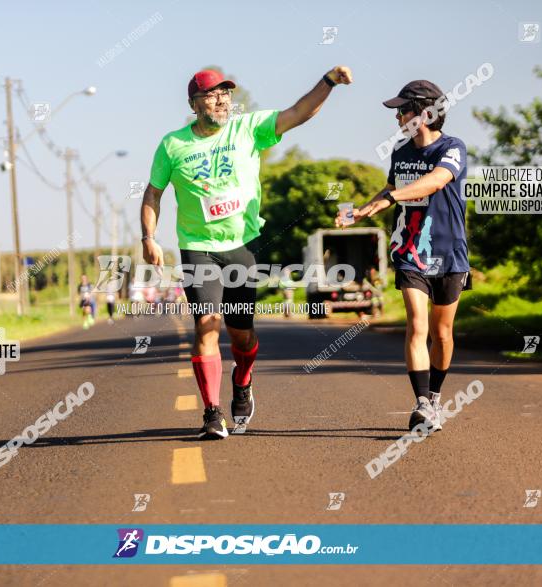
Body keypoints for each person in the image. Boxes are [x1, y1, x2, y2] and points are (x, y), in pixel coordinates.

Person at [142, 66, 353, 439]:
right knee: (206, 325)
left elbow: (298, 112)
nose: (221, 99)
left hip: (243, 247)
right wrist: (149, 236)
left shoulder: (249, 128)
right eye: (211, 94)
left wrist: (328, 82)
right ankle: (212, 412)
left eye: (226, 94)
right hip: (198, 248)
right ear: (193, 103)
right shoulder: (172, 145)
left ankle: (243, 379)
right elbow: (153, 193)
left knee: (242, 335)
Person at [337, 80, 470, 433]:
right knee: (417, 323)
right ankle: (422, 402)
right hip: (410, 252)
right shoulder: (401, 151)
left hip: (450, 252)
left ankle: (436, 397)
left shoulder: (453, 148)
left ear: (425, 113)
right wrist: (363, 211)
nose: (397, 117)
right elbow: (391, 188)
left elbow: (435, 182)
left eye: (403, 110)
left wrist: (394, 197)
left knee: (442, 334)